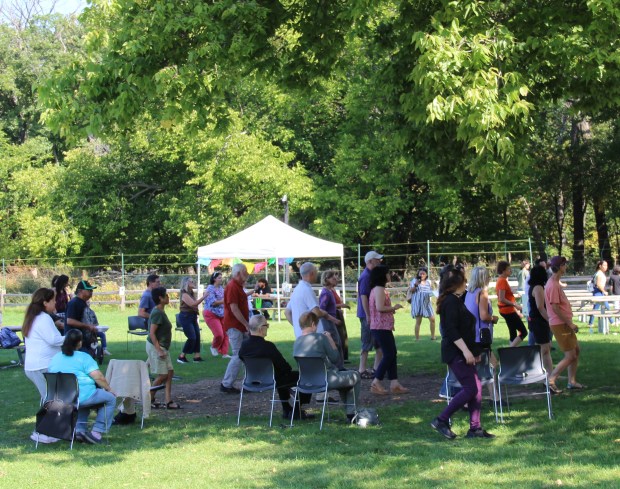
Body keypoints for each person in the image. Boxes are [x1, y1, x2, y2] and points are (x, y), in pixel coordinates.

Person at [431, 268, 495, 440]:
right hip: (455, 352)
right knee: (471, 387)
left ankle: (475, 429)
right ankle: (441, 420)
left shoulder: (457, 300)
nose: (466, 284)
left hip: (464, 350)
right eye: (463, 281)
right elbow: (451, 331)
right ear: (455, 284)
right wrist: (466, 351)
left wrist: (474, 351)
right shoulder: (450, 302)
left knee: (477, 388)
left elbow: (465, 329)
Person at [48, 329, 116, 445]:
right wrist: (110, 389)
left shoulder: (56, 357)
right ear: (79, 342)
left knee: (81, 402)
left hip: (62, 397)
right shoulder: (84, 357)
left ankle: (80, 431)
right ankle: (97, 432)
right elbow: (98, 377)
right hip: (82, 395)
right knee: (110, 398)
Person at [239, 314, 313, 419]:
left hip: (252, 379)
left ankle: (287, 409)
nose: (268, 327)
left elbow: (241, 357)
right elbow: (285, 367)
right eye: (267, 325)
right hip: (271, 379)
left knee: (280, 375)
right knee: (306, 376)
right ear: (261, 329)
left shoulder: (244, 345)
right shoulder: (267, 346)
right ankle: (295, 410)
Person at [293, 311, 361, 423]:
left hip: (306, 381)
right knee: (355, 375)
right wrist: (330, 339)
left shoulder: (297, 342)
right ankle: (351, 413)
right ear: (314, 324)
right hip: (326, 379)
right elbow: (336, 358)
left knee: (345, 379)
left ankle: (350, 412)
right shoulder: (321, 338)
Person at [22, 288, 65, 444]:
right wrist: (71, 337)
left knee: (48, 397)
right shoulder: (43, 318)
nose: (55, 303)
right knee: (51, 399)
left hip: (34, 365)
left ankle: (47, 430)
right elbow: (53, 340)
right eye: (53, 300)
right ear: (45, 302)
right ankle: (42, 432)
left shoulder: (33, 317)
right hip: (42, 366)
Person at [285, 262, 344, 368]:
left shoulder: (297, 289)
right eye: (316, 272)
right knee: (328, 360)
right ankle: (336, 378)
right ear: (311, 273)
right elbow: (317, 312)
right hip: (315, 334)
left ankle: (313, 380)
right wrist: (325, 313)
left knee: (308, 364)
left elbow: (287, 312)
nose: (317, 275)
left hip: (302, 334)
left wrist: (298, 326)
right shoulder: (307, 290)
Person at [368, 265, 408, 395]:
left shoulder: (379, 289)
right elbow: (380, 307)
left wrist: (390, 312)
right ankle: (376, 382)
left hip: (382, 326)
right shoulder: (379, 289)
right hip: (380, 327)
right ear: (382, 275)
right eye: (387, 273)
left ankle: (394, 383)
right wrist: (393, 308)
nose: (389, 275)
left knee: (392, 353)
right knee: (389, 354)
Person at [545, 256, 584, 391]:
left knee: (576, 351)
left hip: (564, 323)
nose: (566, 267)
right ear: (560, 267)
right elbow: (555, 308)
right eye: (564, 265)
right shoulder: (553, 285)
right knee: (570, 356)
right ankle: (551, 380)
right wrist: (570, 323)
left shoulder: (555, 282)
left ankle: (571, 382)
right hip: (560, 324)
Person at [464, 266, 499, 398]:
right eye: (488, 275)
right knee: (492, 365)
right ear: (483, 278)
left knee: (487, 365)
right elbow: (484, 316)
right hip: (481, 336)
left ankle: (494, 397)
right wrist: (494, 318)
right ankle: (472, 397)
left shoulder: (469, 293)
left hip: (471, 335)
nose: (490, 278)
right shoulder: (482, 293)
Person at [146, 286, 180, 409]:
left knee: (170, 372)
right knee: (163, 375)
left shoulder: (160, 311)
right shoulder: (157, 313)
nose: (168, 297)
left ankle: (168, 401)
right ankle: (148, 398)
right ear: (160, 298)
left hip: (163, 347)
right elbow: (152, 333)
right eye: (166, 295)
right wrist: (159, 350)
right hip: (157, 347)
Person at [221, 264, 251, 393]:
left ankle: (250, 381)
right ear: (238, 273)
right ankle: (226, 384)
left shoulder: (237, 286)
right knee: (238, 354)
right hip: (235, 326)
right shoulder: (233, 286)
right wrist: (246, 324)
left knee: (246, 353)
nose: (247, 275)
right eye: (245, 273)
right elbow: (234, 308)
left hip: (238, 325)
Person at [527, 265, 557, 391]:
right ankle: (548, 379)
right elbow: (540, 307)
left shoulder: (534, 287)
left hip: (536, 321)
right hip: (539, 322)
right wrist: (549, 320)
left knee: (546, 349)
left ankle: (548, 377)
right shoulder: (538, 288)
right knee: (545, 350)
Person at [357, 251, 384, 379]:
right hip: (367, 314)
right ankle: (362, 369)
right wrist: (368, 315)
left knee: (378, 342)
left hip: (371, 314)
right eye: (377, 260)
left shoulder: (371, 275)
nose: (379, 261)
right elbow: (363, 297)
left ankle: (376, 368)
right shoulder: (365, 277)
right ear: (370, 261)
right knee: (367, 342)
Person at [319, 270, 350, 362]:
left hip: (331, 321)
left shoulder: (329, 292)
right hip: (328, 322)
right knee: (335, 344)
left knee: (338, 343)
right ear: (326, 279)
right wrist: (335, 320)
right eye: (333, 278)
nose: (336, 280)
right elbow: (321, 310)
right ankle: (337, 367)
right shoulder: (325, 293)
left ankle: (339, 366)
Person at [64, 280, 100, 358]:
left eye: (92, 290)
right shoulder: (74, 303)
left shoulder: (83, 302)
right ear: (80, 291)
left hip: (84, 341)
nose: (91, 292)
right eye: (89, 290)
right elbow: (70, 321)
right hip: (75, 342)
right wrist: (87, 326)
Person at [496, 261, 528, 346]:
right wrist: (515, 305)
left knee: (513, 333)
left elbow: (505, 295)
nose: (511, 270)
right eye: (509, 269)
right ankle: (510, 350)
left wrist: (513, 293)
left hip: (506, 310)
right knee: (524, 332)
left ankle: (511, 353)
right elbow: (501, 298)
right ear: (503, 270)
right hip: (507, 311)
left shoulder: (502, 280)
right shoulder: (502, 281)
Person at [177, 277, 205, 364]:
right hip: (186, 317)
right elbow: (193, 304)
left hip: (192, 316)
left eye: (193, 281)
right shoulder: (184, 294)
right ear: (186, 283)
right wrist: (204, 296)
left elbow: (194, 305)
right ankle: (181, 356)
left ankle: (197, 356)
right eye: (191, 281)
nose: (193, 282)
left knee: (197, 336)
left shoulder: (191, 293)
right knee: (192, 337)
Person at [203, 272, 230, 358]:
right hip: (211, 314)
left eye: (221, 277)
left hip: (221, 314)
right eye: (219, 277)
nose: (221, 279)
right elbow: (213, 303)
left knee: (226, 334)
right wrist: (225, 300)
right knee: (219, 334)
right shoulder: (210, 289)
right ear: (214, 279)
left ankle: (224, 353)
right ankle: (214, 347)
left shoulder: (221, 288)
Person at [409, 266, 436, 340]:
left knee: (433, 319)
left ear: (426, 275)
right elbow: (411, 290)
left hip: (427, 303)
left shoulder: (428, 282)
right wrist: (416, 284)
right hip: (418, 304)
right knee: (418, 321)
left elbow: (430, 291)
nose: (422, 275)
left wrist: (433, 294)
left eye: (423, 274)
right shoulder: (414, 280)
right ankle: (417, 338)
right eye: (420, 274)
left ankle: (433, 337)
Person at [588, 260, 615, 329]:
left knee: (597, 308)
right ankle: (612, 322)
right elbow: (598, 284)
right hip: (598, 292)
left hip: (599, 292)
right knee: (606, 307)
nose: (606, 267)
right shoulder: (599, 274)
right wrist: (604, 291)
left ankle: (590, 323)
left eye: (606, 265)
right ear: (600, 266)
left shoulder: (599, 273)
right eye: (604, 265)